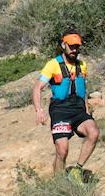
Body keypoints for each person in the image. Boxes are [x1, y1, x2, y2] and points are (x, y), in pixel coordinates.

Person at [32, 30, 100, 183]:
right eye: (71, 46)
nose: (75, 50)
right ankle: (59, 182)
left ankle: (77, 170)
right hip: (60, 110)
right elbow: (37, 87)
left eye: (77, 47)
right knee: (62, 150)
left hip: (78, 109)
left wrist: (87, 111)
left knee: (93, 132)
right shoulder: (53, 64)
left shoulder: (82, 65)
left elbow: (83, 89)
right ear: (64, 45)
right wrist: (39, 110)